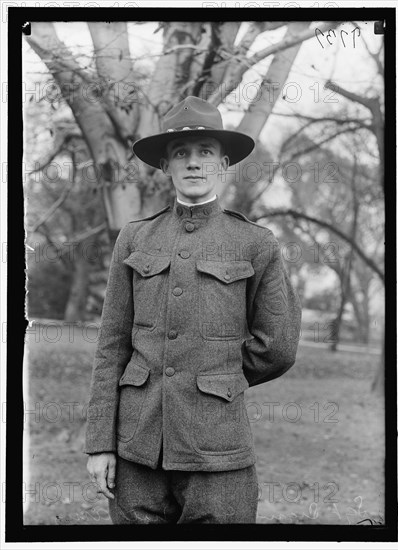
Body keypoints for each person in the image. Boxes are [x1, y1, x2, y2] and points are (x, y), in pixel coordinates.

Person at [85, 96, 302, 524]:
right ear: (166, 166)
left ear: (223, 163)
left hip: (218, 454)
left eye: (205, 152)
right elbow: (111, 346)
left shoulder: (255, 243)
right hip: (137, 449)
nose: (193, 163)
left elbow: (278, 345)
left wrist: (217, 376)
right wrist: (100, 444)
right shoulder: (134, 238)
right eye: (181, 154)